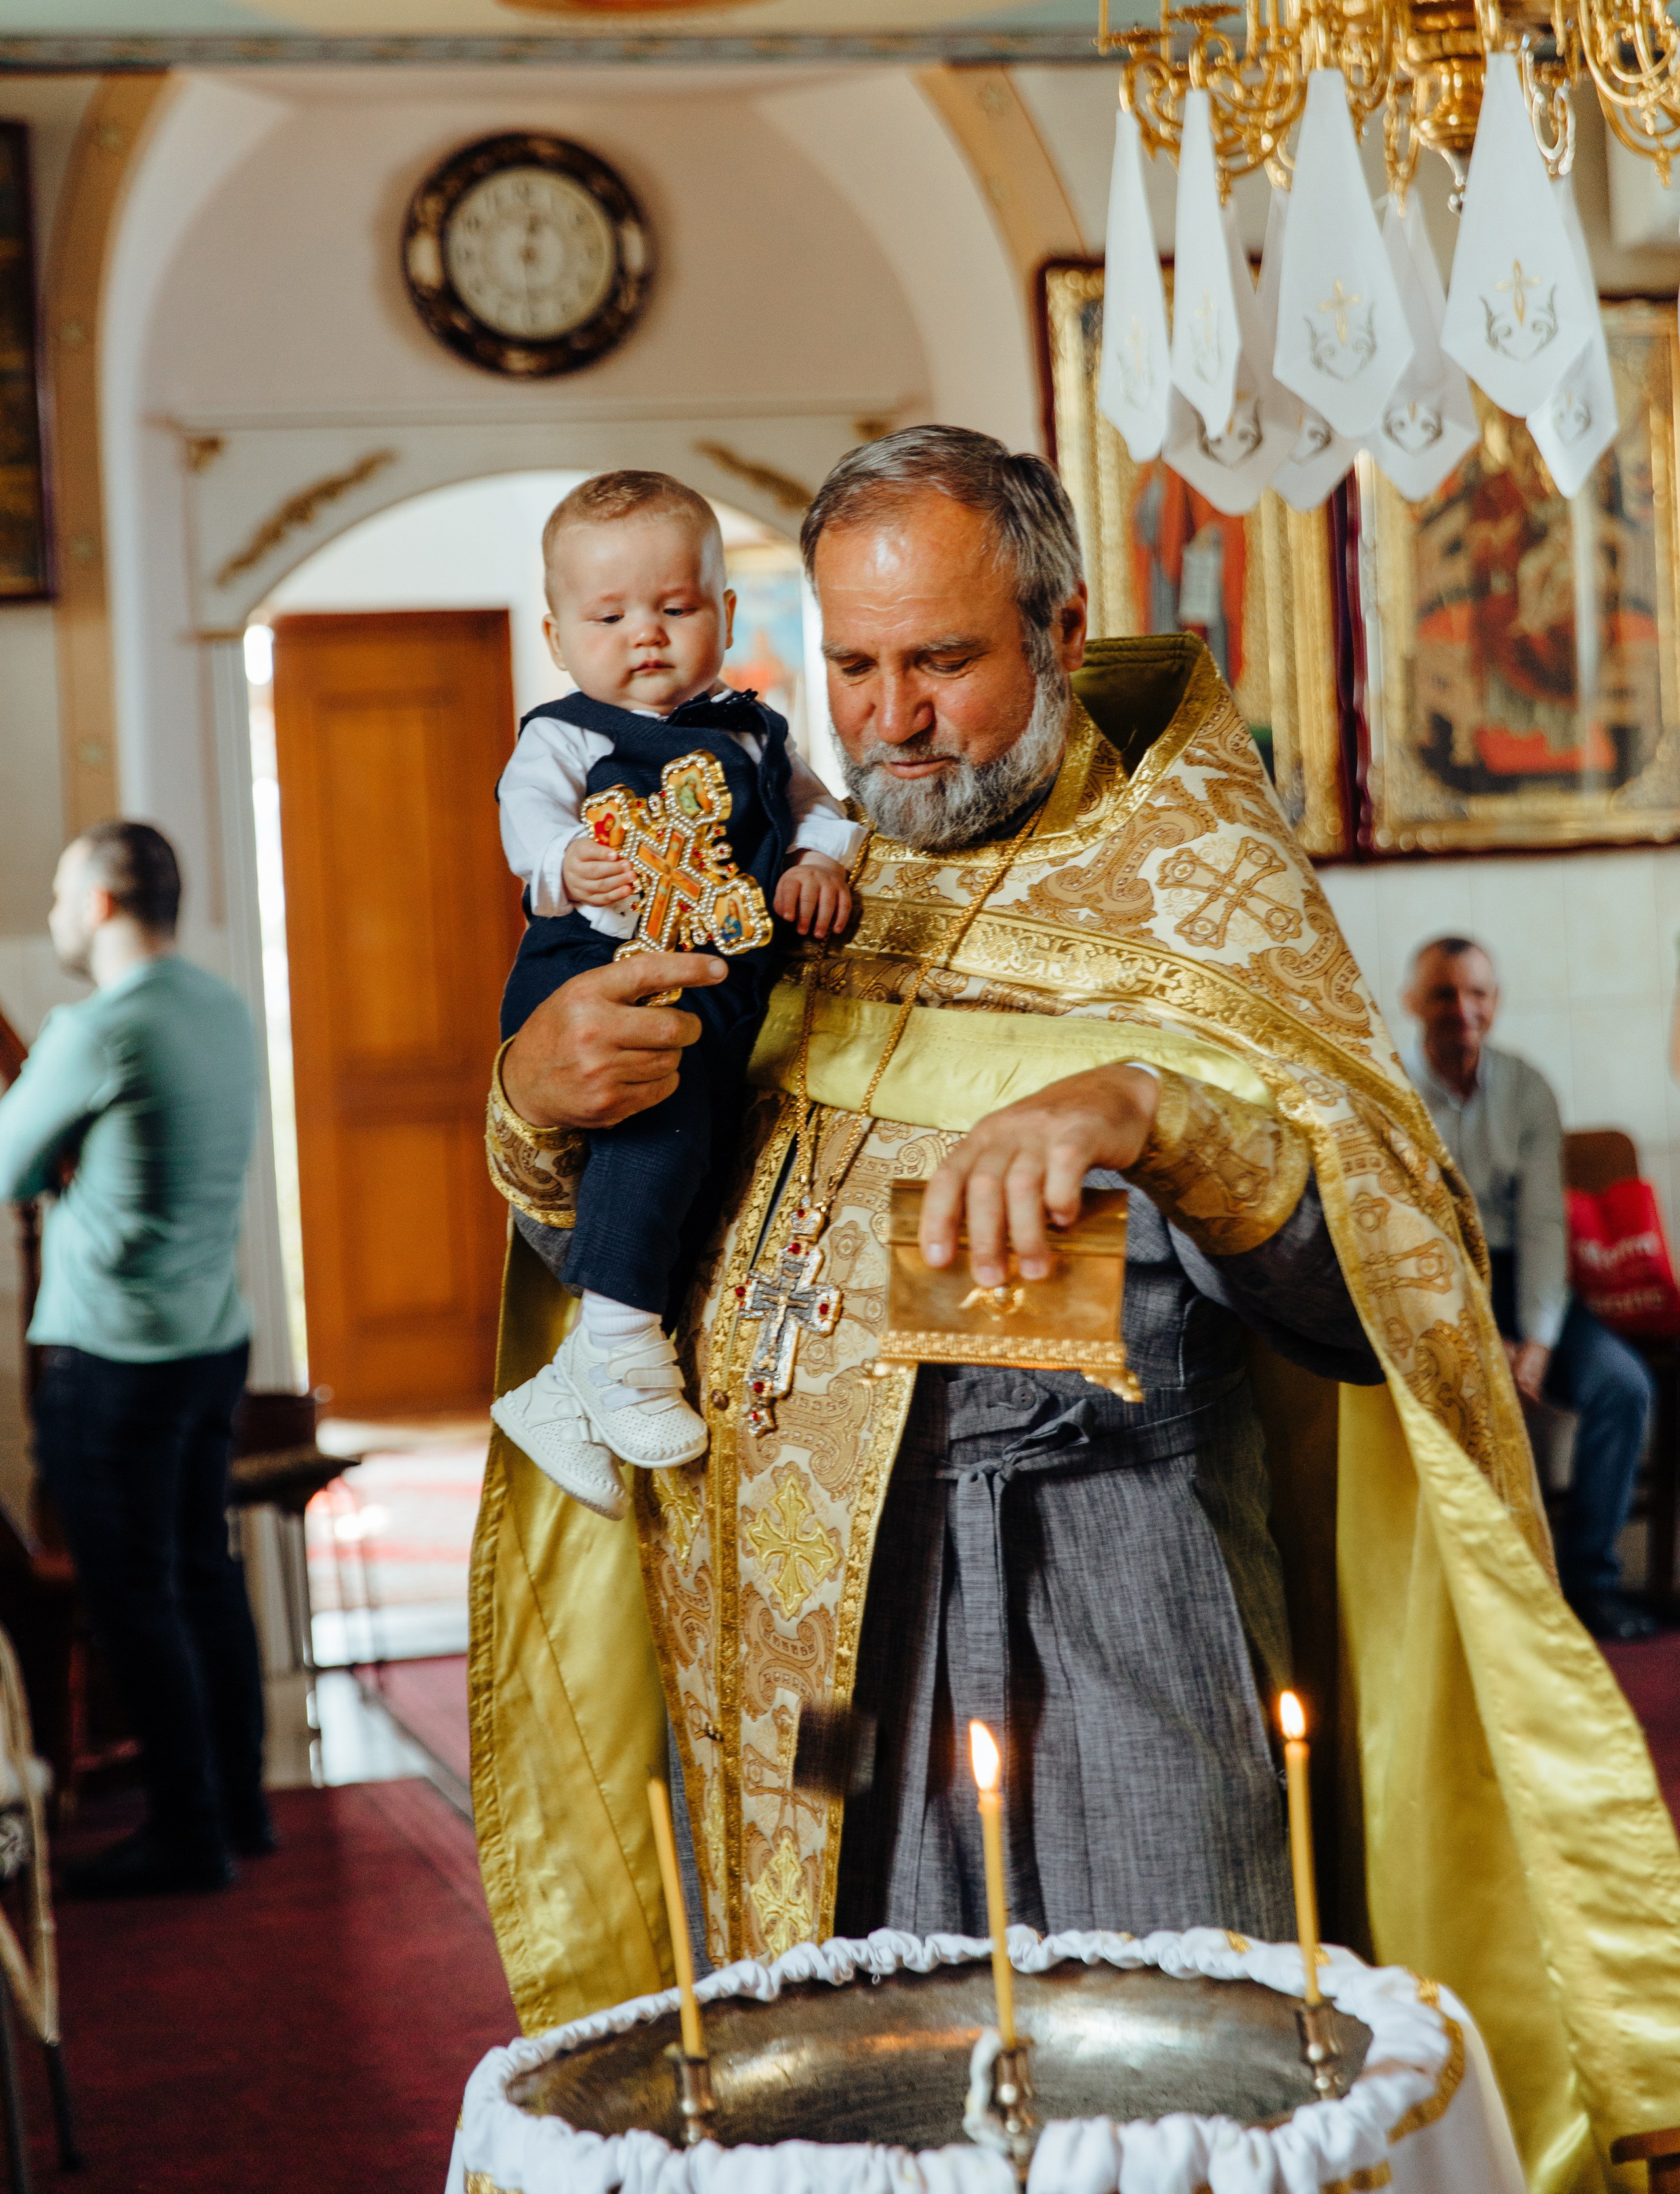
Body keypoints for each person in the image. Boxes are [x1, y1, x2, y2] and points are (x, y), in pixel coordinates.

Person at [474, 426, 1680, 2168]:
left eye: (945, 661)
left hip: (1103, 1605)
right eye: (857, 664)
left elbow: (1386, 1314)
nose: (893, 719)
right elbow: (612, 1213)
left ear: (1058, 627)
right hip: (795, 1653)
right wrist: (537, 1088)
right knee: (851, 2090)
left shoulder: (1197, 896)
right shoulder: (808, 883)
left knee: (1174, 2085)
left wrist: (1157, 1114)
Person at [489, 471, 860, 1509]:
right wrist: (568, 863)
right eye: (609, 617)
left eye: (676, 607)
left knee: (706, 1150)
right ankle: (619, 1349)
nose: (645, 635)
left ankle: (573, 1385)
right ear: (559, 636)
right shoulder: (566, 734)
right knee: (654, 1129)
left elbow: (816, 809)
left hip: (722, 975)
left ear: (725, 613)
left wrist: (818, 863)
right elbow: (527, 818)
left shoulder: (757, 732)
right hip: (603, 976)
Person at [0, 824, 268, 1896]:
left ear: (105, 903)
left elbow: (9, 1169)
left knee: (131, 1599)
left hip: (111, 1357)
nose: (57, 910)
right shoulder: (221, 1006)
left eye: (65, 891)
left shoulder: (97, 1028)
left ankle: (186, 1833)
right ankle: (242, 1811)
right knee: (205, 1574)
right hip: (211, 1339)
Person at [1402, 933, 1659, 1643]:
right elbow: (1414, 1235)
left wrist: (1539, 1341)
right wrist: (1482, 1333)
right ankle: (1487, 1605)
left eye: (1477, 993)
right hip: (1438, 1281)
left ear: (1496, 1001)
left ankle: (1591, 1586)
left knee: (1623, 1386)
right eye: (1444, 994)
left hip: (1528, 1274)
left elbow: (1546, 1222)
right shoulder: (1389, 1088)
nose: (1463, 1009)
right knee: (1460, 1400)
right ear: (1411, 1004)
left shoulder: (1527, 1087)